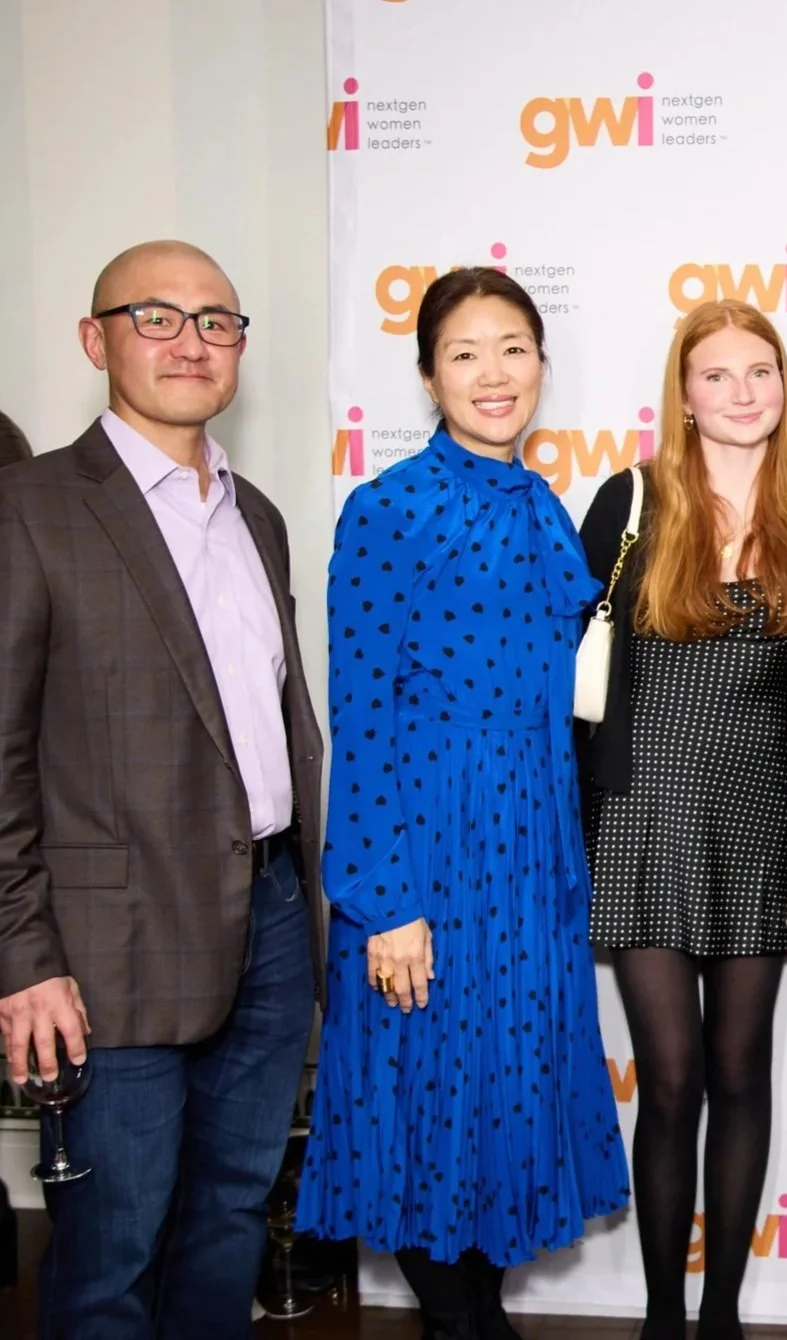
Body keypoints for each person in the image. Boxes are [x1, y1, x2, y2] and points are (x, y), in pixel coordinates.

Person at [297, 266, 629, 1340]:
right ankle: (458, 1321)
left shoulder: (541, 505)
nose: (495, 374)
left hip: (528, 854)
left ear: (541, 363)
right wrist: (385, 900)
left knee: (496, 1091)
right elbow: (363, 712)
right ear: (429, 374)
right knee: (420, 1092)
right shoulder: (388, 509)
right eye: (465, 353)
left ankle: (477, 1315)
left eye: (514, 349)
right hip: (426, 853)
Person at [0, 239, 323, 1336]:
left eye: (217, 321)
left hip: (272, 916)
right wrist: (24, 957)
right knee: (111, 1248)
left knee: (229, 1215)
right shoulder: (31, 507)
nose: (191, 341)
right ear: (96, 340)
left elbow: (280, 724)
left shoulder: (258, 513)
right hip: (109, 943)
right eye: (157, 316)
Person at [578, 298, 787, 1340]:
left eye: (759, 372)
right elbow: (569, 682)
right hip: (641, 813)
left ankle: (722, 1311)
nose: (740, 393)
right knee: (670, 1077)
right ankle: (663, 1315)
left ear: (783, 382)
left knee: (741, 1069)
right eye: (716, 374)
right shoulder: (629, 498)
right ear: (682, 392)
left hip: (763, 817)